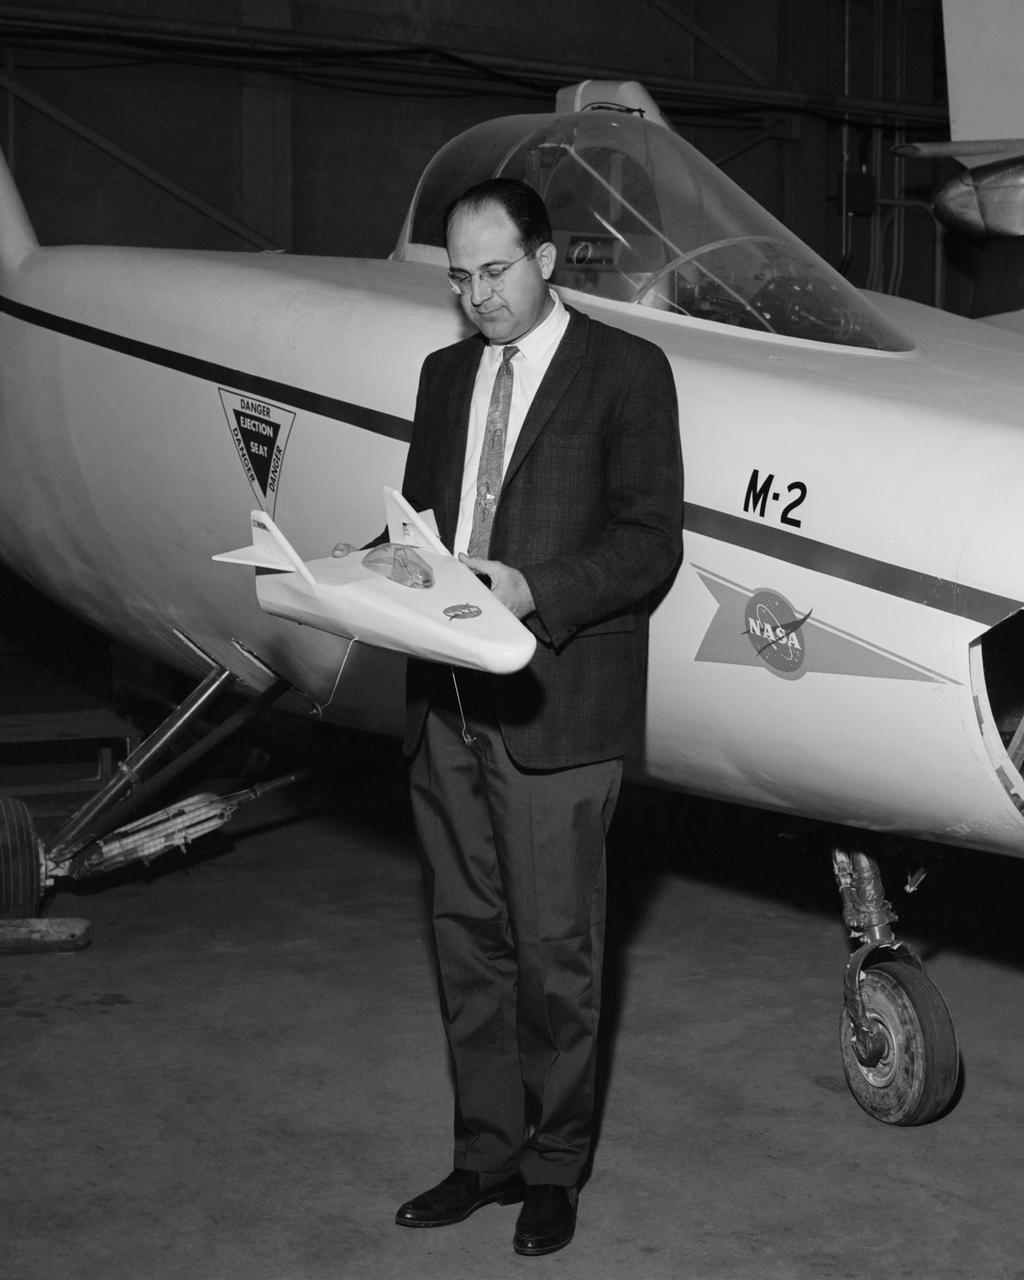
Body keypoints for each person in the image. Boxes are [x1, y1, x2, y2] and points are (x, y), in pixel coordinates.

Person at [392, 177, 683, 1257]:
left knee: (556, 950)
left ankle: (556, 1166)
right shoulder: (442, 374)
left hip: (557, 706)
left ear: (548, 259)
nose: (479, 298)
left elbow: (651, 541)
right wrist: (377, 568)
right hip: (446, 702)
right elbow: (428, 525)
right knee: (465, 939)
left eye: (497, 271)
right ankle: (486, 1151)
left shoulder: (627, 372)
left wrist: (536, 589)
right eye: (461, 278)